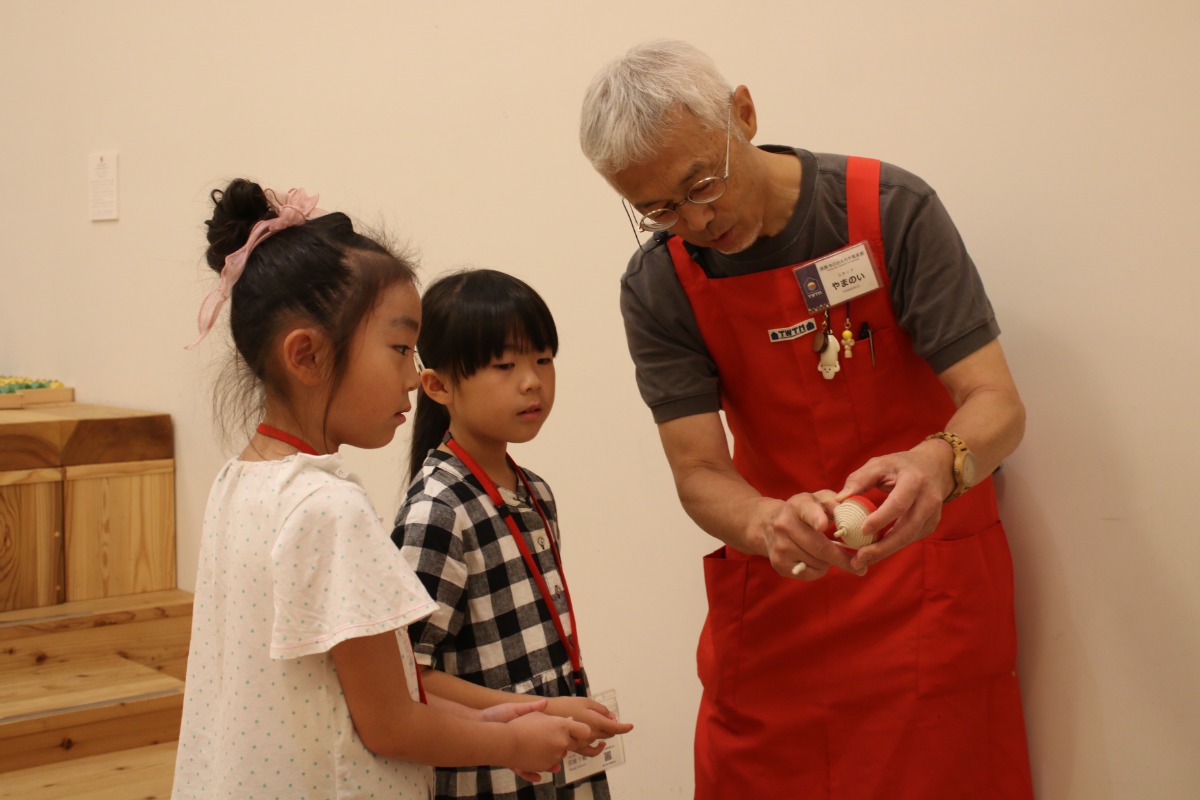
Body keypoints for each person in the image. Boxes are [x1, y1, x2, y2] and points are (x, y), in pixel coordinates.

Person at [579, 41, 1033, 800]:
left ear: (745, 115)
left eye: (703, 183)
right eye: (658, 208)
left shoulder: (889, 211)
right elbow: (697, 471)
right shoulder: (660, 283)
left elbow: (998, 405)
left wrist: (936, 462)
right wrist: (761, 521)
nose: (694, 220)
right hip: (783, 593)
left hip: (926, 582)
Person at [174, 181, 592, 799]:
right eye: (399, 349)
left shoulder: (238, 483)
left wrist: (498, 716)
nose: (413, 378)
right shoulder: (330, 508)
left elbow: (356, 689)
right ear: (307, 356)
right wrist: (510, 743)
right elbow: (391, 725)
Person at [392, 268, 633, 800]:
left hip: (556, 763)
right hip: (491, 777)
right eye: (505, 365)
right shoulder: (438, 508)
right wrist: (545, 709)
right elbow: (410, 676)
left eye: (543, 359)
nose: (532, 381)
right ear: (437, 385)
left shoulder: (533, 491)